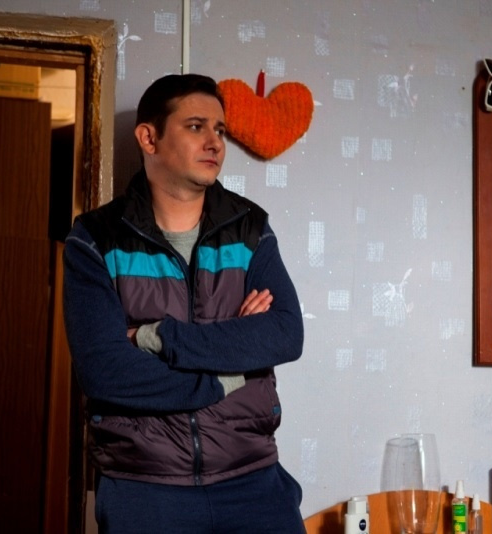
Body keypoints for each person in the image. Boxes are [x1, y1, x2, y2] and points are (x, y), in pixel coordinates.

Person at [63, 74, 305, 533]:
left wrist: (155, 337)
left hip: (253, 481)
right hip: (143, 488)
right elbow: (106, 371)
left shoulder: (250, 229)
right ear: (149, 138)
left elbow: (285, 334)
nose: (215, 142)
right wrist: (227, 374)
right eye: (196, 126)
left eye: (220, 129)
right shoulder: (94, 240)